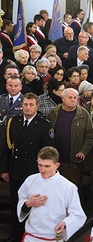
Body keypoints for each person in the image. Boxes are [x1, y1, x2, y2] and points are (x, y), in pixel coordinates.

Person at [1, 93, 55, 241]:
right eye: (25, 104)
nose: (28, 108)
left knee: (33, 205)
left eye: (31, 105)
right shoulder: (14, 121)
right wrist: (4, 169)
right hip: (16, 169)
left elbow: (47, 152)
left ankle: (30, 234)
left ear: (37, 106)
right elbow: (6, 147)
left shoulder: (45, 125)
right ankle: (15, 234)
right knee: (15, 203)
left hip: (34, 172)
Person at [17, 146, 86, 240]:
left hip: (52, 237)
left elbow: (77, 214)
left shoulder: (68, 187)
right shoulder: (30, 180)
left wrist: (65, 223)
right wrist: (28, 203)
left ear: (57, 165)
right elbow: (21, 200)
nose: (42, 170)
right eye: (40, 165)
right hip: (31, 236)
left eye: (47, 166)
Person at [47, 88, 93, 184]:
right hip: (56, 156)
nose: (73, 100)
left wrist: (83, 151)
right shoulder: (54, 112)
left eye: (75, 98)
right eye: (70, 97)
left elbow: (90, 134)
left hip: (74, 159)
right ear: (63, 98)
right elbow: (48, 131)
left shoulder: (83, 114)